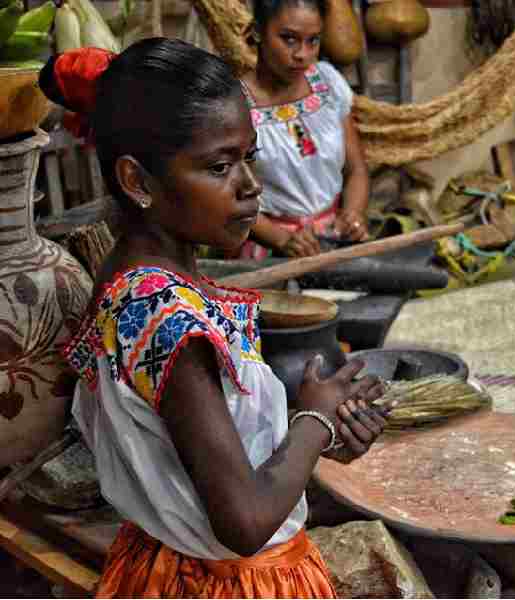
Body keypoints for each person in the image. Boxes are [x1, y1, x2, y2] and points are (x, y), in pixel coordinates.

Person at [41, 38, 389, 598]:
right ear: (136, 181)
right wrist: (313, 422)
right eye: (220, 166)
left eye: (249, 157)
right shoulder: (172, 322)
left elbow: (194, 457)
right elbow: (244, 523)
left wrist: (313, 437)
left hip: (164, 569)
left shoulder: (131, 283)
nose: (251, 186)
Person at [237, 0, 370, 259]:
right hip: (267, 253)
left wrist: (353, 214)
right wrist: (281, 238)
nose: (303, 54)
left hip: (331, 243)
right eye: (289, 39)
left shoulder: (328, 84)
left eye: (313, 41)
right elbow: (225, 200)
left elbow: (356, 170)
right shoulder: (234, 107)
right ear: (256, 32)